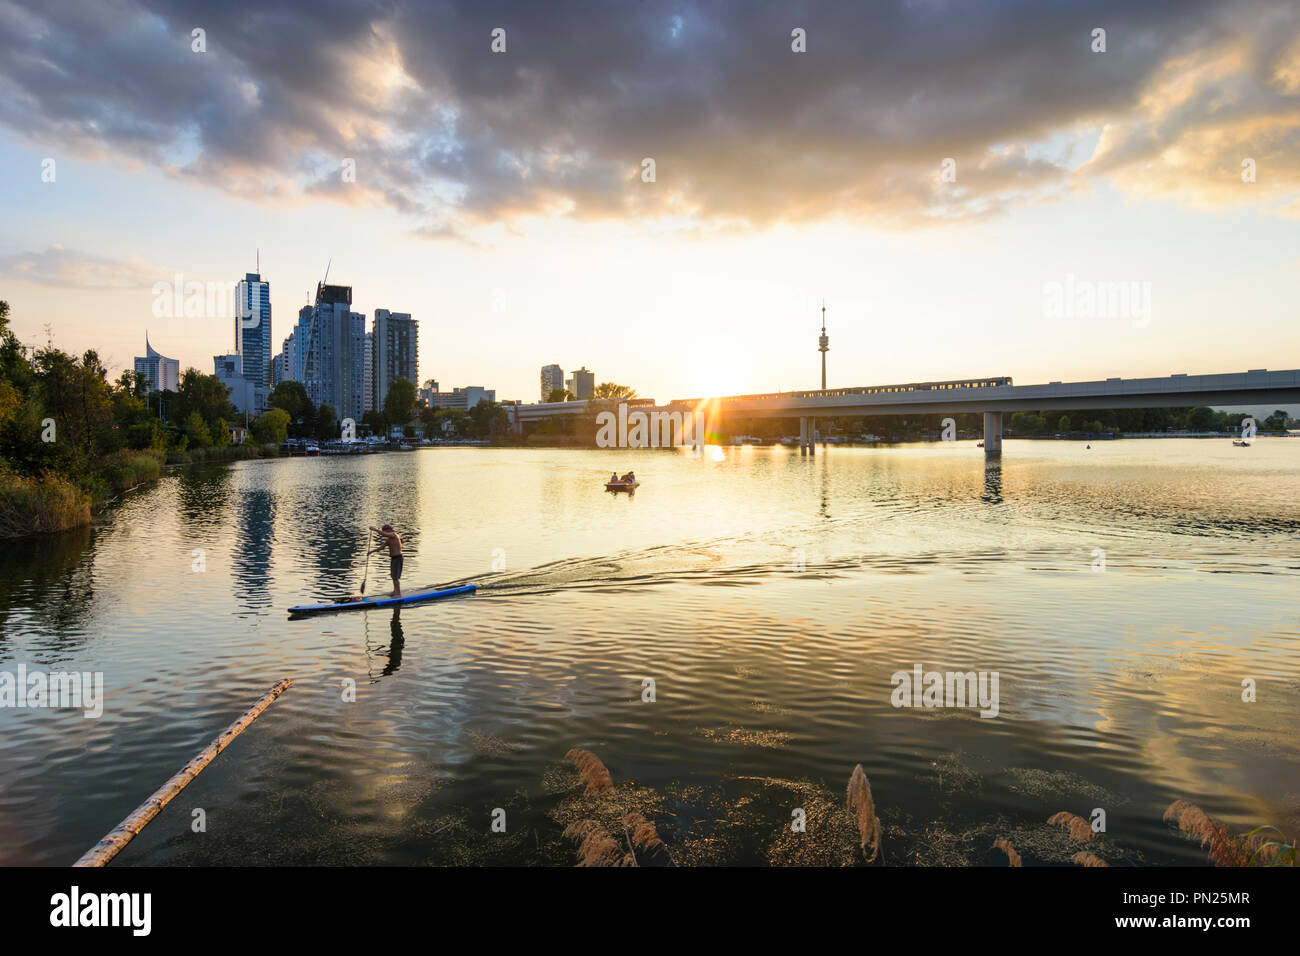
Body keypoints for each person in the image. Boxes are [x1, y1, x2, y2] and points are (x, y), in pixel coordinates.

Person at [369, 524, 403, 598]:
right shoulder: (389, 539)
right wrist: (371, 552)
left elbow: (384, 534)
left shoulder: (394, 535)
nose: (384, 533)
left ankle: (398, 593)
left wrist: (375, 529)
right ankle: (395, 591)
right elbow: (381, 547)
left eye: (385, 531)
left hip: (398, 558)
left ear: (388, 530)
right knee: (393, 576)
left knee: (395, 576)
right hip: (393, 559)